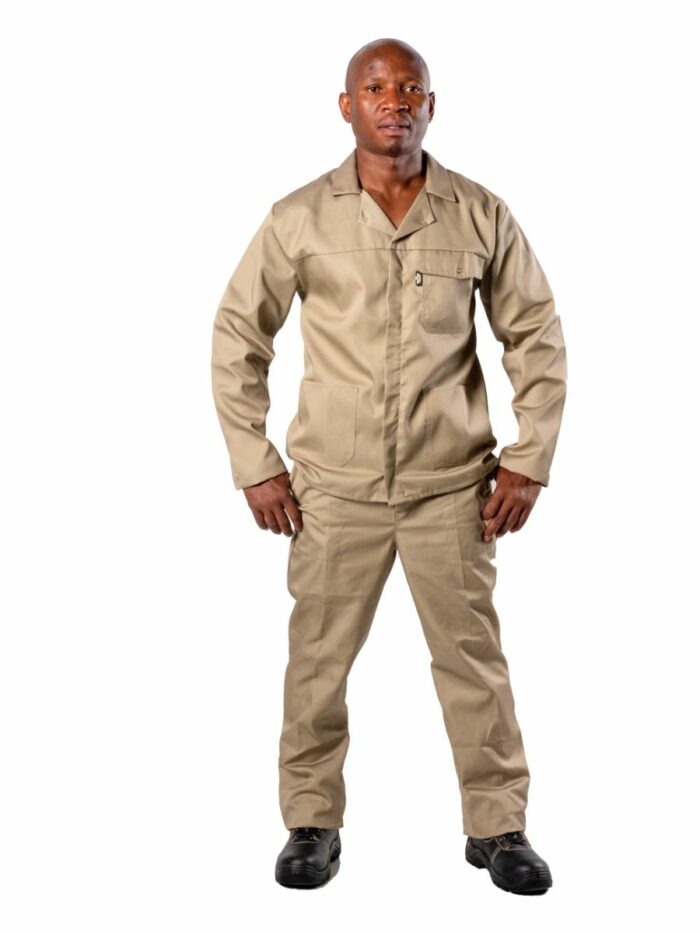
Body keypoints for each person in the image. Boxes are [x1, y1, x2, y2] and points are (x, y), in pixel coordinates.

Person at [210, 37, 567, 895]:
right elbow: (238, 336)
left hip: (453, 489)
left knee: (473, 663)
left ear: (431, 106)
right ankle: (311, 821)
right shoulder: (299, 217)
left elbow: (536, 334)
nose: (394, 101)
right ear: (347, 106)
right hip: (333, 491)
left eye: (410, 88)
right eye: (375, 87)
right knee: (317, 663)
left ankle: (498, 825)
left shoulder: (479, 213)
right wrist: (255, 463)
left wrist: (529, 459)